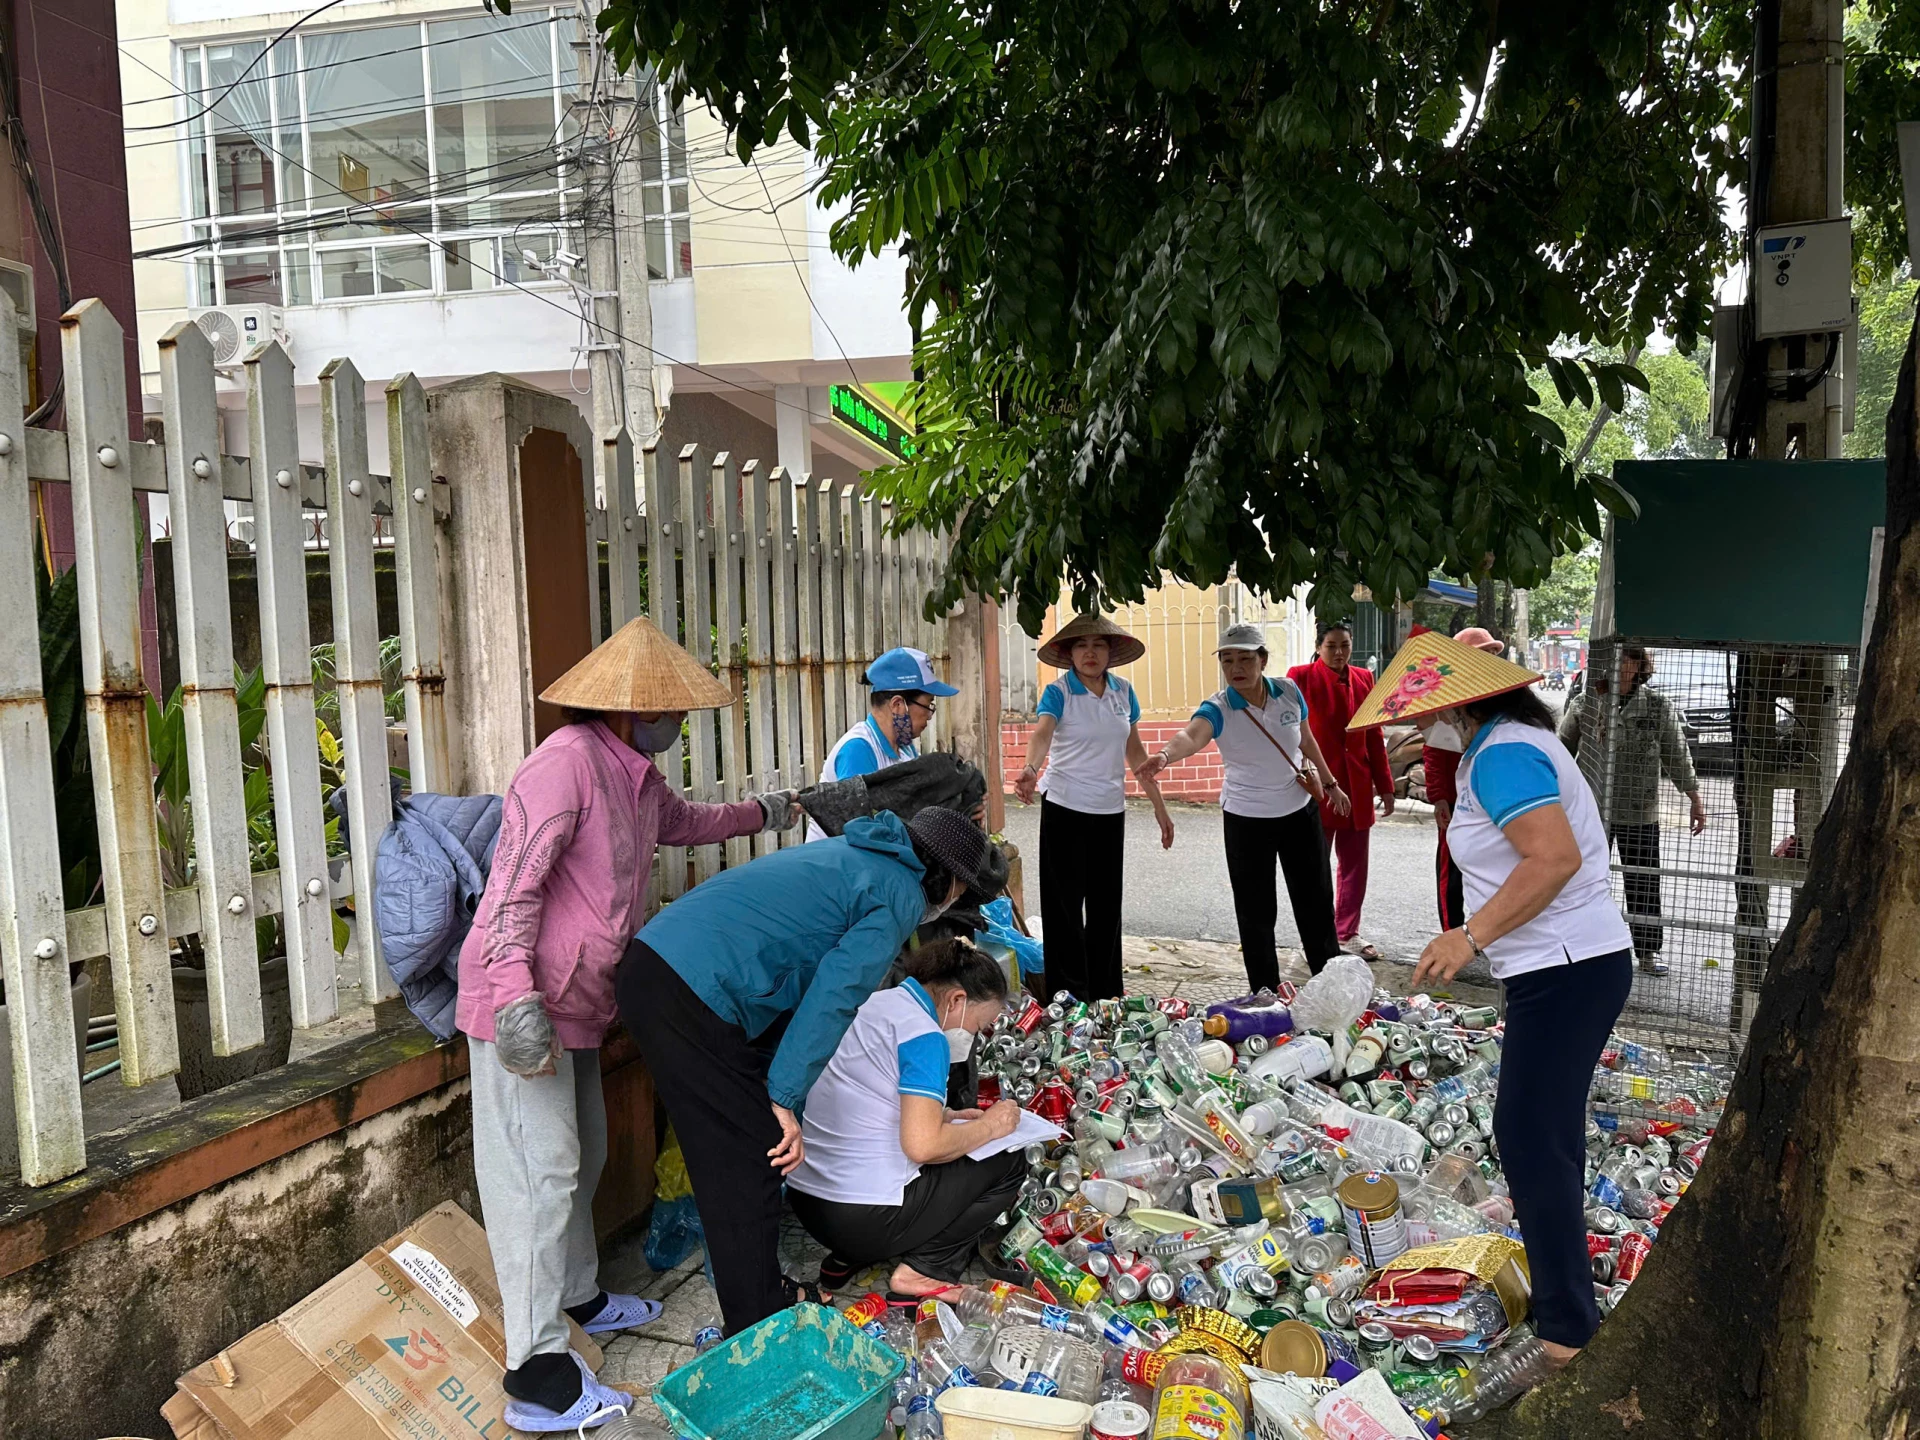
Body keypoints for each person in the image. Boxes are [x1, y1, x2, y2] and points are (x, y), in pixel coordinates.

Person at [456, 617, 798, 1433]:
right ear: (626, 709)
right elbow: (511, 893)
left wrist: (774, 811)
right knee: (539, 1175)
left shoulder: (633, 774)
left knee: (587, 1154)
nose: (677, 724)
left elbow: (687, 824)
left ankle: (577, 1297)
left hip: (578, 1003)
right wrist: (513, 1000)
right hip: (522, 1005)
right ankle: (537, 1376)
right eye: (667, 710)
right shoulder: (563, 767)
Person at [1355, 631, 1632, 1370]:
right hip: (1559, 967)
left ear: (1464, 704)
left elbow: (1555, 857)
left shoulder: (1505, 751)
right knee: (1545, 1136)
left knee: (1528, 1136)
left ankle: (1567, 1330)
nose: (1418, 723)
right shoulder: (1496, 749)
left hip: (1569, 966)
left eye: (1428, 711)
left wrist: (1467, 937)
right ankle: (1565, 1306)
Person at [616, 805, 991, 1336]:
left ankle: (762, 1291)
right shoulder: (898, 893)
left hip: (669, 969)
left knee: (749, 1145)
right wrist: (785, 1098)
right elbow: (835, 997)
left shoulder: (865, 855)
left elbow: (800, 980)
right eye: (961, 890)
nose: (956, 900)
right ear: (947, 878)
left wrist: (777, 1089)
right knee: (749, 1155)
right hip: (688, 989)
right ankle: (756, 1322)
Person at [787, 939, 1024, 1297]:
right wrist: (992, 1125)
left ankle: (850, 1257)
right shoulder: (925, 1036)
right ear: (956, 1000)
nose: (974, 1037)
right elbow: (923, 1146)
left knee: (954, 1140)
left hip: (808, 1202)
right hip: (860, 1218)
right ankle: (924, 1270)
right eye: (978, 1026)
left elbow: (865, 1092)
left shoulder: (872, 1003)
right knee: (1009, 1159)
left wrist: (945, 1115)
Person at [1136, 623, 1345, 987]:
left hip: (1299, 813)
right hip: (1247, 820)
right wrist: (1166, 756)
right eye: (1228, 659)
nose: (1236, 667)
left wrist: (1330, 783)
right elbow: (1192, 734)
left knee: (1315, 901)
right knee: (1256, 911)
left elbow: (1307, 740)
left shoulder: (1289, 692)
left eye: (1246, 659)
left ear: (1263, 660)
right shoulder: (1219, 707)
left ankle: (1331, 983)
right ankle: (1265, 991)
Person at [1012, 613, 1174, 1001]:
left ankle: (1105, 993)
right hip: (1065, 808)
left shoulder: (1123, 693)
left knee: (1105, 907)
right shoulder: (1060, 692)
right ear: (1069, 654)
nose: (1090, 652)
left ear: (1110, 652)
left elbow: (1136, 754)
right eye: (1082, 645)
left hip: (1108, 812)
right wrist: (1031, 769)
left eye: (1098, 645)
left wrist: (1160, 807)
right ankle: (1068, 996)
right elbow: (1042, 732)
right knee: (1064, 907)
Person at [1556, 644, 1708, 976]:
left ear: (1638, 665)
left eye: (1625, 659)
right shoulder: (1587, 702)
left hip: (1639, 808)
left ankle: (1648, 950)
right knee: (1585, 879)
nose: (1618, 665)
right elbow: (1559, 752)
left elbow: (1676, 755)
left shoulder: (1656, 707)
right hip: (1592, 810)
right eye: (1613, 659)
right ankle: (1578, 945)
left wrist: (1694, 798)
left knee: (1643, 881)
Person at [1288, 621, 1395, 958]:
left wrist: (1386, 786)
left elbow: (1374, 735)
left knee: (1354, 866)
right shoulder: (1300, 677)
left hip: (1358, 784)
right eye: (1331, 645)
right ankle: (1317, 937)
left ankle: (1347, 932)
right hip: (1320, 785)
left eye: (1345, 645)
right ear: (1319, 647)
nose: (1338, 652)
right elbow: (1291, 733)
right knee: (1314, 865)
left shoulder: (1365, 679)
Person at [807, 646, 960, 842]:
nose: (930, 715)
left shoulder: (905, 748)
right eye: (928, 705)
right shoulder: (858, 749)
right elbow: (864, 833)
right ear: (898, 705)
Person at [1419, 625, 1506, 932]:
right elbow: (1433, 751)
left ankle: (1489, 929)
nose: (1490, 659)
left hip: (1497, 796)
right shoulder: (1443, 698)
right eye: (1483, 654)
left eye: (1493, 653)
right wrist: (1439, 797)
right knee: (1451, 868)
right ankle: (1452, 932)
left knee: (1495, 867)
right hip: (1458, 799)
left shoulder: (1505, 694)